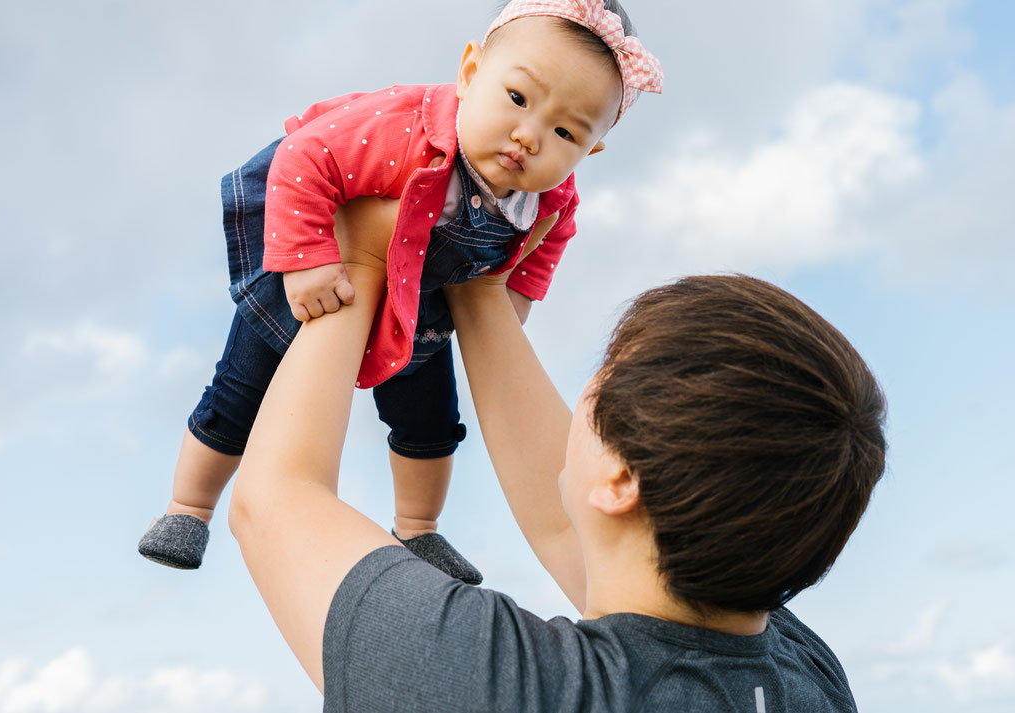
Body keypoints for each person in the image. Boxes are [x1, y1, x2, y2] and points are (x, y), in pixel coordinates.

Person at [226, 196, 888, 711]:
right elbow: (575, 520)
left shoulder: (498, 686)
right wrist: (479, 285)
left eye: (600, 380)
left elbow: (276, 501)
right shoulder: (805, 677)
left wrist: (366, 257)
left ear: (623, 476)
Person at [138, 0, 662, 582]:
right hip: (315, 263)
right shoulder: (400, 125)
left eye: (565, 131)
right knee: (239, 393)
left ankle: (419, 527)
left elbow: (547, 246)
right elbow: (304, 158)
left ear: (590, 151)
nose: (527, 136)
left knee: (433, 423)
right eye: (517, 98)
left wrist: (514, 300)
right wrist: (306, 260)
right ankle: (188, 507)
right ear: (470, 73)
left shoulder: (550, 200)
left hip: (421, 303)